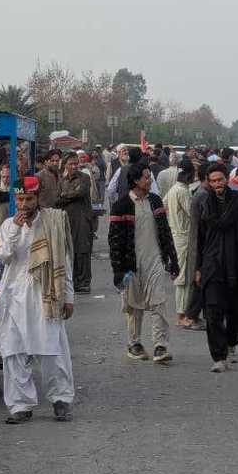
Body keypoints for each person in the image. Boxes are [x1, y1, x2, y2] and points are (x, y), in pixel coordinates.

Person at [0, 175, 77, 424]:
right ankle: (20, 405)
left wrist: (69, 296)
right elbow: (3, 256)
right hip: (14, 296)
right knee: (14, 351)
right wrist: (16, 231)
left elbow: (64, 262)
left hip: (46, 295)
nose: (24, 204)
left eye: (28, 199)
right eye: (20, 199)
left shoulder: (52, 223)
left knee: (52, 351)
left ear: (38, 198)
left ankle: (61, 400)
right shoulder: (9, 225)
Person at [109, 163, 180, 363]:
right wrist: (118, 270)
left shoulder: (156, 201)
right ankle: (135, 344)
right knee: (133, 306)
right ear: (135, 180)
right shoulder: (121, 205)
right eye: (146, 177)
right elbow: (114, 240)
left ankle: (160, 346)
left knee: (159, 303)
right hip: (130, 265)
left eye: (150, 177)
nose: (150, 180)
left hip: (155, 261)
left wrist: (173, 259)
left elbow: (165, 232)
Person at [196, 163, 238, 372]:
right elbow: (200, 237)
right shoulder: (205, 203)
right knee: (212, 312)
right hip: (213, 264)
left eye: (220, 180)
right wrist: (198, 267)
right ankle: (219, 357)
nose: (217, 185)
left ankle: (231, 344)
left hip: (237, 264)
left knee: (235, 313)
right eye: (212, 181)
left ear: (226, 179)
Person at [55, 153, 95, 294]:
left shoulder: (84, 177)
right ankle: (72, 281)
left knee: (82, 250)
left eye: (75, 163)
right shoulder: (62, 181)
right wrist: (68, 195)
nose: (74, 166)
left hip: (82, 219)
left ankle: (83, 283)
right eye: (71, 164)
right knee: (68, 252)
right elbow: (57, 201)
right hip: (67, 220)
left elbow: (81, 193)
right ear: (65, 165)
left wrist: (65, 195)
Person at [165, 160, 198, 328]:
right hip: (184, 238)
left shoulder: (173, 190)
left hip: (177, 235)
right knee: (183, 279)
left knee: (183, 277)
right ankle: (181, 315)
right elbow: (193, 214)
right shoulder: (183, 191)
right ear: (188, 175)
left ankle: (183, 313)